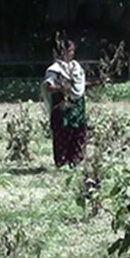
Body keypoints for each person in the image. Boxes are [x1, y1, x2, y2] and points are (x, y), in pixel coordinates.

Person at [41, 38, 101, 168]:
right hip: (62, 108)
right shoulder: (55, 70)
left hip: (78, 108)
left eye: (72, 51)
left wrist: (94, 84)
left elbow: (78, 87)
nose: (70, 54)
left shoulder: (76, 68)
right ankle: (62, 163)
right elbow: (50, 88)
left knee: (79, 133)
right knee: (63, 134)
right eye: (67, 51)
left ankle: (75, 162)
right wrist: (63, 88)